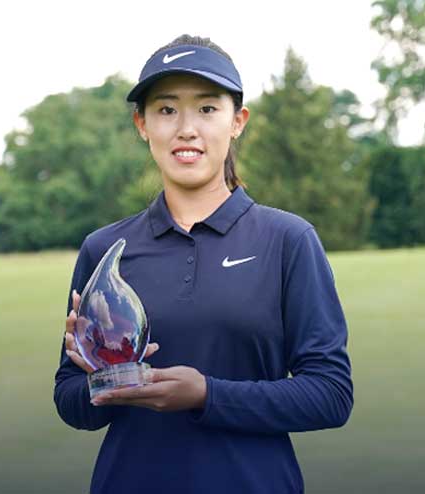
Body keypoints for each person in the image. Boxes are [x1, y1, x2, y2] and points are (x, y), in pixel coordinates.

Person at [54, 34, 353, 494]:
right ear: (142, 124)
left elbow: (330, 394)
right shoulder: (105, 249)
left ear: (238, 121)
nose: (186, 129)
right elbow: (70, 399)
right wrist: (105, 380)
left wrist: (207, 395)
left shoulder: (288, 239)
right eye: (166, 109)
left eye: (208, 108)